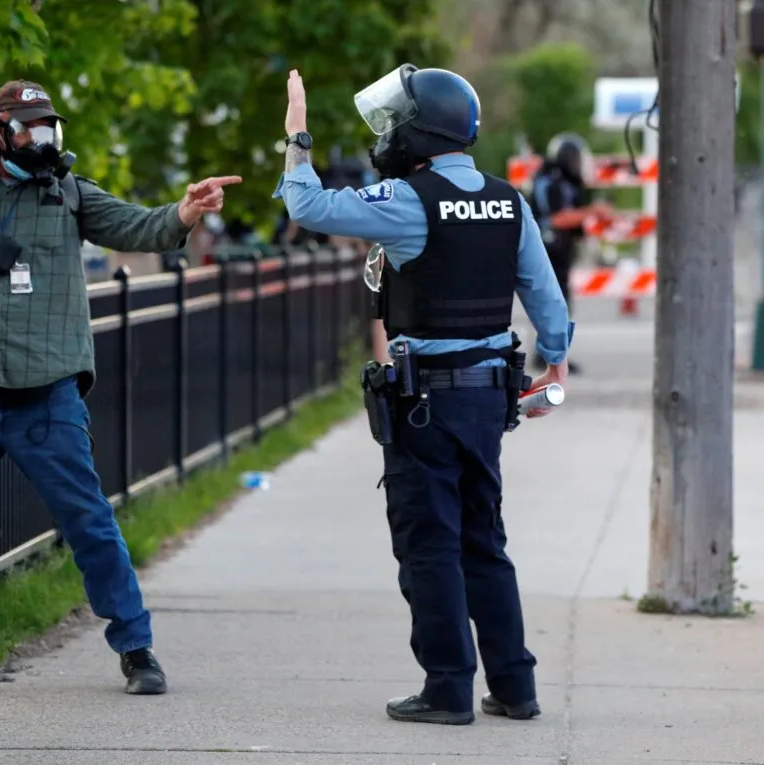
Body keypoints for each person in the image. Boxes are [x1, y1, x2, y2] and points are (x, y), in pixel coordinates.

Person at [0, 79, 241, 695]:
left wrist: (184, 211)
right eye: (29, 128)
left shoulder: (66, 192)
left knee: (88, 523)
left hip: (45, 397)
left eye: (49, 127)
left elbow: (136, 226)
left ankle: (136, 648)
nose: (42, 139)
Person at [274, 65, 573, 725]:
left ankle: (447, 688)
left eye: (395, 121)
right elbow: (547, 300)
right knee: (484, 542)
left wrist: (298, 138)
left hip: (426, 406)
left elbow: (309, 207)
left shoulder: (410, 200)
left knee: (429, 546)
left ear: (420, 130)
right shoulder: (508, 201)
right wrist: (555, 362)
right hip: (489, 400)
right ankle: (515, 687)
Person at [527, 132, 612, 373]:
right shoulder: (551, 182)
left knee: (558, 303)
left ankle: (550, 355)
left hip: (558, 249)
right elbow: (558, 218)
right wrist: (593, 211)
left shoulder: (559, 181)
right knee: (553, 303)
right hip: (549, 249)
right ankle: (548, 357)